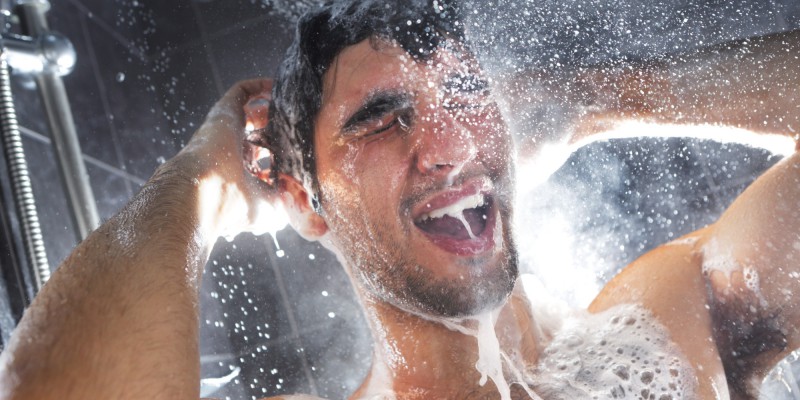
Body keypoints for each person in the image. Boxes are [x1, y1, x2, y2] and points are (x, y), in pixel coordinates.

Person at [0, 0, 798, 399]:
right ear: (308, 205)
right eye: (380, 120)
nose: (448, 144)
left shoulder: (664, 322)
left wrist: (593, 96)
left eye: (462, 96)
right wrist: (199, 184)